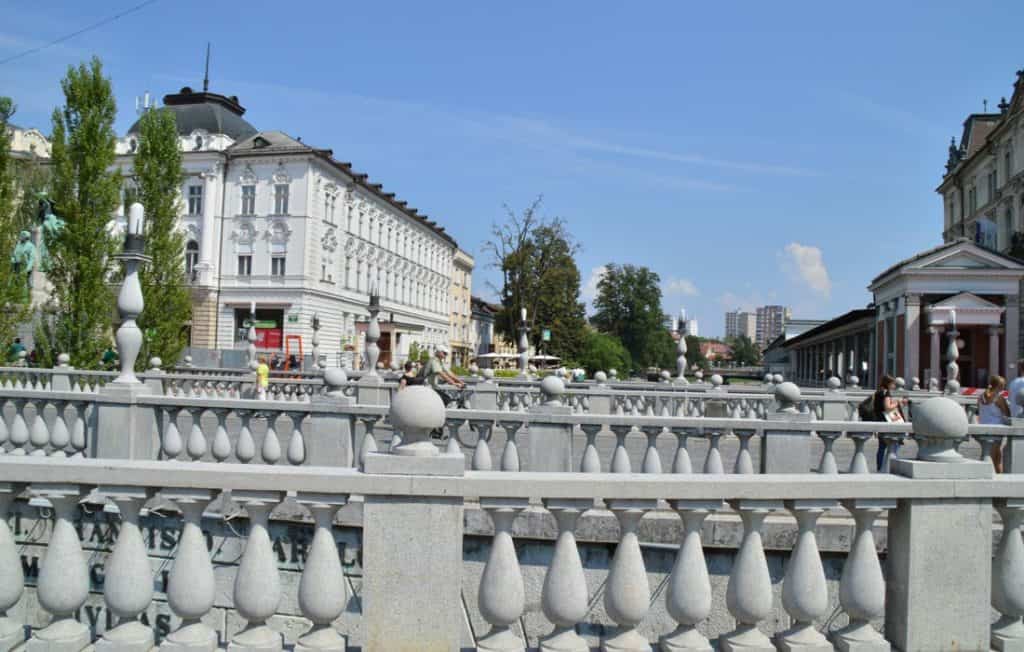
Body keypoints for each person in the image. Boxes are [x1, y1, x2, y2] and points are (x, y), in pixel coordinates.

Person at [874, 374, 907, 470]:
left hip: (880, 420)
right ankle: (889, 466)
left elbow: (880, 407)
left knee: (881, 447)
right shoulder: (886, 393)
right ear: (888, 384)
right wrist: (897, 403)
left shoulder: (878, 392)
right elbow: (887, 407)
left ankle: (880, 467)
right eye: (893, 384)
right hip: (888, 422)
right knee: (895, 444)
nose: (894, 386)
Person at [979, 374, 1011, 473]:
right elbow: (1008, 413)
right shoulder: (999, 398)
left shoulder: (981, 396)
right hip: (996, 430)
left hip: (983, 428)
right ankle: (997, 479)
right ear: (1000, 386)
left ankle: (983, 474)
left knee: (986, 454)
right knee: (996, 458)